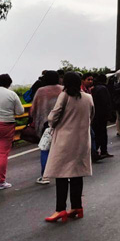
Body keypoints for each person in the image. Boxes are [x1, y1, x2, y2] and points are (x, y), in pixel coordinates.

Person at [44, 71, 94, 223]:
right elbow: (91, 116)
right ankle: (77, 207)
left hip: (64, 141)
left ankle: (60, 210)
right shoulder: (88, 97)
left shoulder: (64, 96)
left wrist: (52, 123)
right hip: (82, 140)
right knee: (77, 174)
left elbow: (53, 117)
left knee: (61, 175)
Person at [29, 70, 62, 185]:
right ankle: (64, 175)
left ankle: (45, 176)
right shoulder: (63, 89)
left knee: (45, 149)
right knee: (61, 150)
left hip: (46, 125)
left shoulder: (41, 91)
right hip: (62, 124)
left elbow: (33, 109)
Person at [92, 74, 113, 158]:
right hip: (102, 115)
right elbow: (106, 103)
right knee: (103, 133)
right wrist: (109, 114)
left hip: (95, 114)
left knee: (96, 132)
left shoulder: (94, 88)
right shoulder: (104, 89)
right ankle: (103, 150)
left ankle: (95, 149)